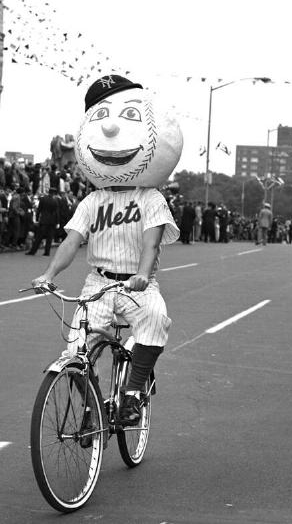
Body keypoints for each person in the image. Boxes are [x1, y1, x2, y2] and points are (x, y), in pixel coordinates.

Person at [31, 74, 182, 426]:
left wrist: (144, 275)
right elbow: (72, 240)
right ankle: (93, 407)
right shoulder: (91, 200)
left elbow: (152, 241)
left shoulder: (151, 198)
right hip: (97, 284)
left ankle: (131, 394)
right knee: (74, 349)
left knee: (155, 319)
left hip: (137, 284)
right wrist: (49, 274)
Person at [26, 186, 59, 256]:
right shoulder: (55, 201)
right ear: (54, 193)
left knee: (39, 237)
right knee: (49, 238)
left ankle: (33, 251)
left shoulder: (43, 199)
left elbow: (39, 209)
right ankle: (47, 252)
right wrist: (57, 222)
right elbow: (56, 212)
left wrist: (37, 219)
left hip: (44, 220)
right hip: (52, 221)